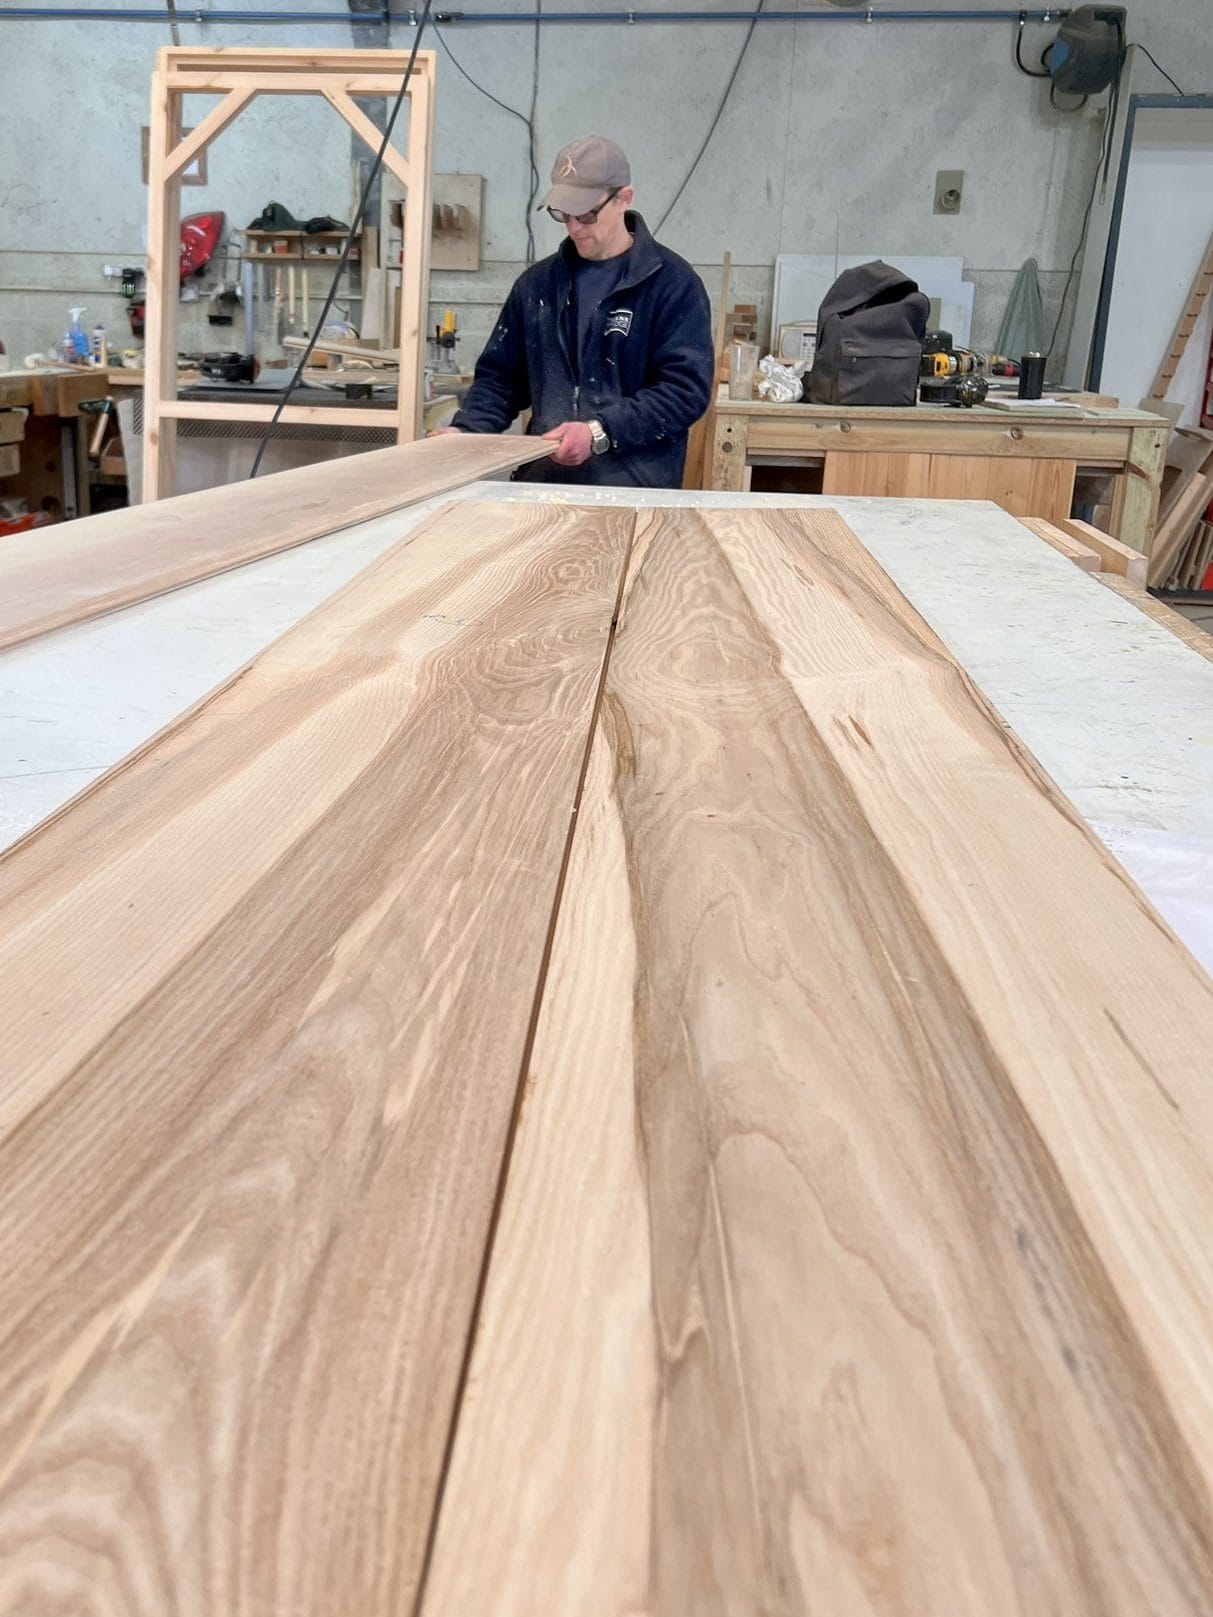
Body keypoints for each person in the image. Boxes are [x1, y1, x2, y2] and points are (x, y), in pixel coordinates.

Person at [432, 135, 714, 487]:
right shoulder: (537, 286)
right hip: (545, 482)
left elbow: (685, 391)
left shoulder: (672, 284)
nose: (574, 227)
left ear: (624, 198)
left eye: (586, 214)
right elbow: (501, 380)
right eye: (563, 214)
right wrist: (466, 431)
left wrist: (601, 431)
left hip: (635, 488)